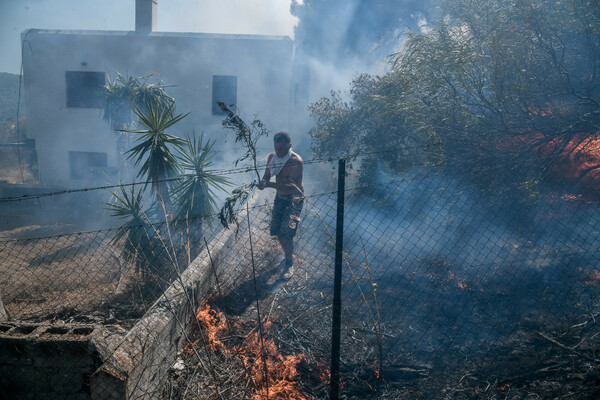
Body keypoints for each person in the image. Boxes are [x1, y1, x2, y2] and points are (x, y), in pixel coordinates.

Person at [257, 132, 304, 277]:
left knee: (286, 233)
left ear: (289, 146)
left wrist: (268, 184)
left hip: (294, 200)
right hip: (280, 197)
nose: (279, 152)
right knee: (277, 231)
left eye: (282, 150)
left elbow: (291, 186)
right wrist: (263, 181)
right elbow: (267, 174)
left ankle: (289, 263)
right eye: (277, 149)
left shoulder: (296, 161)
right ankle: (287, 255)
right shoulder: (272, 157)